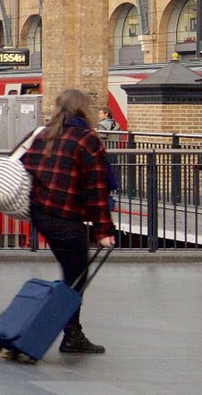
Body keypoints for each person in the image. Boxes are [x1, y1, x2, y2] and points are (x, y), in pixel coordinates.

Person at [22, 88, 118, 355]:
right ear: (83, 110)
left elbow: (26, 166)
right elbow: (96, 189)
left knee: (72, 273)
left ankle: (69, 331)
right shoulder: (87, 139)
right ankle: (68, 334)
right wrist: (104, 230)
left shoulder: (43, 135)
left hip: (42, 213)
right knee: (76, 277)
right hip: (66, 218)